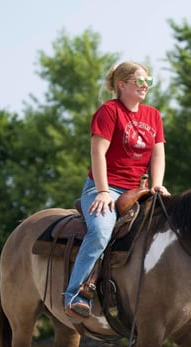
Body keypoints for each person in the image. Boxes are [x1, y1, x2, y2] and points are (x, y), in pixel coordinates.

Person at [64, 61, 168, 320]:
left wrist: (157, 184)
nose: (145, 86)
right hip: (105, 187)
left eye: (148, 81)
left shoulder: (153, 115)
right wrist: (101, 191)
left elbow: (158, 155)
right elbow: (97, 153)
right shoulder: (109, 111)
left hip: (139, 190)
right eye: (139, 81)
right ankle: (75, 295)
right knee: (101, 232)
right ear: (122, 85)